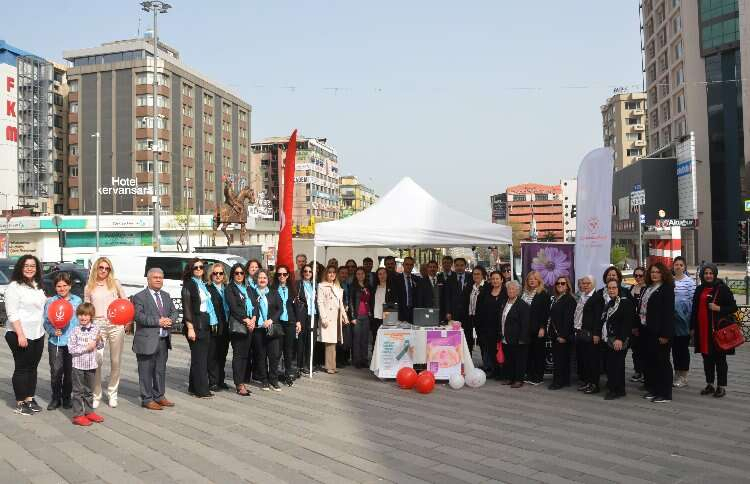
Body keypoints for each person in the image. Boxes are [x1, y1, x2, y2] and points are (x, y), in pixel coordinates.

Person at [4, 255, 47, 416]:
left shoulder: (37, 285)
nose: (30, 268)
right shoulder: (14, 287)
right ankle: (20, 402)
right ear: (20, 267)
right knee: (22, 368)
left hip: (37, 333)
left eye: (33, 266)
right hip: (19, 333)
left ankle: (29, 398)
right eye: (26, 265)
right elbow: (12, 313)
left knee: (33, 367)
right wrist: (21, 335)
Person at [132, 268, 178, 410]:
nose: (158, 280)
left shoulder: (166, 295)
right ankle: (147, 399)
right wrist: (158, 321)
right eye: (155, 277)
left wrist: (170, 320)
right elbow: (138, 316)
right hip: (147, 341)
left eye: (160, 277)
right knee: (145, 371)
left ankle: (159, 396)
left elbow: (174, 312)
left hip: (163, 340)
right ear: (148, 279)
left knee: (160, 370)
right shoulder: (139, 297)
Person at [85, 256, 127, 409]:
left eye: (107, 268)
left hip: (115, 324)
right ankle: (96, 394)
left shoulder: (115, 283)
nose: (104, 270)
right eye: (101, 267)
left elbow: (125, 302)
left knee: (116, 361)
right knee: (97, 360)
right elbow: (87, 309)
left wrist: (126, 321)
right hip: (97, 325)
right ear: (96, 268)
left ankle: (112, 393)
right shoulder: (89, 286)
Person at [690, 263, 737, 398]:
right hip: (702, 330)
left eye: (711, 273)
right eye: (706, 273)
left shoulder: (722, 288)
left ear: (715, 274)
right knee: (707, 358)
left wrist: (718, 308)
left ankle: (721, 386)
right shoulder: (699, 289)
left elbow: (733, 307)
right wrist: (692, 327)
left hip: (716, 331)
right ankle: (710, 384)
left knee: (720, 359)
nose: (708, 276)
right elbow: (694, 310)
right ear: (702, 275)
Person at [43, 272, 82, 410]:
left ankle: (66, 398)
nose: (62, 288)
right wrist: (53, 331)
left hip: (72, 342)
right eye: (59, 286)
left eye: (65, 285)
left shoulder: (77, 301)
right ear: (55, 287)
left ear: (70, 286)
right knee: (56, 371)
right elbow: (46, 322)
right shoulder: (50, 302)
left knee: (70, 373)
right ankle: (55, 398)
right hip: (56, 342)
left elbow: (81, 321)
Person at [181, 258, 218, 398]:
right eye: (195, 267)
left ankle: (193, 386)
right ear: (191, 270)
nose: (198, 269)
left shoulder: (202, 284)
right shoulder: (189, 285)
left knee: (199, 357)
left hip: (205, 322)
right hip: (195, 324)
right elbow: (187, 308)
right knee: (200, 359)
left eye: (201, 267)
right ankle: (201, 390)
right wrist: (190, 327)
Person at [640, 262, 675, 403]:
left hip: (660, 332)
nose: (654, 274)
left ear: (663, 274)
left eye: (657, 272)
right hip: (647, 330)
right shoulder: (648, 288)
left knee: (662, 362)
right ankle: (654, 389)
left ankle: (665, 393)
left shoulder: (667, 289)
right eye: (652, 272)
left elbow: (668, 313)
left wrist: (665, 334)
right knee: (651, 361)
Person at [67, 303, 105, 426]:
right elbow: (71, 349)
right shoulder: (74, 331)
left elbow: (100, 346)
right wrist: (86, 348)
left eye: (86, 315)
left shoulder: (96, 329)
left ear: (91, 316)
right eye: (80, 315)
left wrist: (100, 340)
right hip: (78, 365)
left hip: (91, 365)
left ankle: (89, 412)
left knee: (89, 390)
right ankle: (78, 415)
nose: (83, 317)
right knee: (78, 391)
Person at [226, 263, 256, 396]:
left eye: (241, 273)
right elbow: (234, 308)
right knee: (238, 355)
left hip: (250, 325)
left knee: (245, 355)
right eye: (236, 273)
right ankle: (238, 384)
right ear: (233, 274)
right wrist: (246, 319)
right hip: (239, 325)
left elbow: (255, 304)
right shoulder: (230, 288)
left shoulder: (248, 288)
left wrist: (254, 318)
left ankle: (242, 381)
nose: (239, 275)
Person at [601, 280, 634, 400]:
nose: (611, 290)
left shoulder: (625, 303)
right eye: (609, 288)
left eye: (614, 288)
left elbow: (627, 323)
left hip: (619, 339)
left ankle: (614, 390)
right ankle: (619, 389)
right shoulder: (610, 303)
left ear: (618, 289)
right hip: (609, 338)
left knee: (616, 365)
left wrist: (620, 339)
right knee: (613, 365)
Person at [252, 269, 283, 391]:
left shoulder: (274, 292)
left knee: (274, 355)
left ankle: (273, 380)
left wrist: (271, 320)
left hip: (271, 327)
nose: (262, 280)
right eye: (260, 277)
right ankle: (264, 380)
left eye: (264, 278)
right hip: (258, 328)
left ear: (268, 279)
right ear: (256, 279)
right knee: (261, 355)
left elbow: (280, 309)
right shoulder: (252, 293)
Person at [574, 275, 604, 394]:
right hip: (581, 332)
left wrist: (596, 334)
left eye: (588, 283)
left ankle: (594, 385)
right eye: (583, 283)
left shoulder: (597, 298)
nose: (585, 285)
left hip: (591, 334)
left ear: (593, 284)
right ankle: (587, 382)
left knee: (593, 361)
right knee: (585, 360)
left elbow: (598, 318)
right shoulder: (582, 296)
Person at [498, 280, 530, 388]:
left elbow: (525, 324)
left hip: (518, 338)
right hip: (505, 337)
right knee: (508, 359)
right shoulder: (504, 302)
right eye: (509, 289)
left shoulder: (523, 305)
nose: (510, 291)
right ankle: (509, 378)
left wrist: (522, 339)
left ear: (518, 291)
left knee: (519, 360)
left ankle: (519, 380)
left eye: (513, 289)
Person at [317, 266, 348, 374]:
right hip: (328, 317)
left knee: (334, 342)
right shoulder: (321, 286)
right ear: (326, 274)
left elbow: (341, 304)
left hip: (336, 317)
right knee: (330, 342)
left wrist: (345, 316)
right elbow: (320, 303)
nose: (332, 274)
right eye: (329, 272)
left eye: (334, 272)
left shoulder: (338, 287)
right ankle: (329, 367)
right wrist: (323, 318)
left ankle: (332, 366)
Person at [522, 271, 551, 386]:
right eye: (530, 279)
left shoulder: (543, 294)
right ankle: (530, 374)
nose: (532, 281)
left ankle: (538, 377)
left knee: (538, 353)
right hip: (526, 329)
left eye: (534, 279)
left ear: (539, 280)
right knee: (529, 353)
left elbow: (545, 313)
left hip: (538, 329)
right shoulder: (525, 294)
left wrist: (542, 328)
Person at [273, 264, 300, 386]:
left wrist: (298, 321)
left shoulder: (292, 289)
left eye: (284, 274)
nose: (282, 276)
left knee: (288, 350)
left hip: (290, 322)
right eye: (279, 274)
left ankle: (288, 374)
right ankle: (275, 374)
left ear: (288, 275)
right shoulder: (273, 288)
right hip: (278, 322)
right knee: (277, 350)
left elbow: (296, 307)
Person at [547, 276, 576, 390]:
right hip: (556, 335)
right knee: (560, 358)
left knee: (560, 360)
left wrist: (563, 336)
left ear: (567, 286)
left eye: (563, 283)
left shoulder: (569, 299)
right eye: (558, 283)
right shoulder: (557, 298)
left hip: (563, 335)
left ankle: (558, 382)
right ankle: (563, 381)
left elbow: (568, 320)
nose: (560, 285)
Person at [672, 256, 696, 389]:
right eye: (676, 264)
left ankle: (684, 376)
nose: (678, 267)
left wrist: (692, 323)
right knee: (675, 349)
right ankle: (677, 373)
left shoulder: (689, 282)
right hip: (672, 320)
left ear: (684, 267)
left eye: (681, 265)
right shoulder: (669, 280)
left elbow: (693, 302)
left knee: (682, 349)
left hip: (684, 320)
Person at [476, 270, 505, 376]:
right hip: (487, 326)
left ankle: (501, 371)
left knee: (500, 349)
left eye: (497, 278)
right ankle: (491, 369)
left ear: (502, 280)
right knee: (489, 349)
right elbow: (479, 308)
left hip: (500, 327)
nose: (495, 281)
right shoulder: (486, 292)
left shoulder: (506, 292)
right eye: (493, 279)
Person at [207, 263, 230, 391]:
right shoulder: (208, 288)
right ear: (211, 275)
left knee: (223, 353)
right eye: (215, 273)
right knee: (213, 354)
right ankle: (213, 381)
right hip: (214, 326)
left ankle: (221, 380)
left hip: (226, 326)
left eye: (220, 273)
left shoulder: (227, 288)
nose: (218, 275)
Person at [446, 258, 474, 350]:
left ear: (465, 266)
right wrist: (448, 312)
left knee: (468, 337)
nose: (459, 267)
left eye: (461, 265)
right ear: (454, 266)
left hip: (468, 313)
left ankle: (468, 357)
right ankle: (455, 357)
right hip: (454, 314)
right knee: (454, 338)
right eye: (457, 265)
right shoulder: (450, 279)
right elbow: (447, 297)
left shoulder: (471, 278)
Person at [349, 267, 372, 368]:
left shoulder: (368, 286)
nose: (360, 275)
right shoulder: (353, 287)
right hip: (357, 316)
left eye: (362, 273)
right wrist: (352, 317)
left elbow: (371, 301)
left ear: (365, 275)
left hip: (366, 316)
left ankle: (364, 360)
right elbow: (351, 302)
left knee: (365, 339)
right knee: (357, 339)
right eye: (358, 274)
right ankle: (357, 360)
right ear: (355, 275)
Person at [294, 264, 315, 377]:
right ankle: (300, 365)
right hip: (302, 314)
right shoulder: (298, 284)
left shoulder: (314, 284)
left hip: (313, 314)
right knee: (301, 340)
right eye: (306, 271)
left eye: (310, 271)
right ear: (302, 273)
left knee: (310, 340)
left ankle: (308, 364)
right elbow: (296, 300)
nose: (308, 273)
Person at [243, 259, 262, 383]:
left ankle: (257, 373)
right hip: (248, 319)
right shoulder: (245, 282)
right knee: (247, 349)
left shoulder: (261, 280)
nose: (254, 269)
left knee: (258, 348)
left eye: (256, 267)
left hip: (260, 320)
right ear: (248, 269)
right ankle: (245, 375)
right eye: (252, 267)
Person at [629, 267, 647, 383]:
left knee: (644, 349)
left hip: (644, 323)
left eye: (641, 275)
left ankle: (646, 372)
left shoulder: (648, 289)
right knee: (635, 349)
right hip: (633, 322)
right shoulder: (632, 288)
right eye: (636, 275)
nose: (638, 277)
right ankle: (638, 371)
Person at [371, 267, 395, 343]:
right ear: (377, 276)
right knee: (376, 339)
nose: (382, 276)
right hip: (376, 317)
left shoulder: (392, 287)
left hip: (388, 317)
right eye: (380, 274)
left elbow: (394, 302)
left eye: (384, 273)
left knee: (387, 340)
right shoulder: (374, 287)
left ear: (387, 274)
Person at [466, 266, 487, 355]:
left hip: (483, 320)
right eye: (474, 274)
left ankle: (486, 362)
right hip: (471, 317)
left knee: (483, 343)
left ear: (483, 275)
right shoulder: (471, 286)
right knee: (471, 341)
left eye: (478, 274)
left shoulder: (487, 286)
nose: (476, 276)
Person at [336, 265, 353, 366]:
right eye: (342, 273)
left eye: (346, 273)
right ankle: (339, 360)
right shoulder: (336, 285)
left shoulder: (348, 285)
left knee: (346, 337)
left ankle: (345, 358)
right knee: (339, 337)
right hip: (338, 313)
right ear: (338, 274)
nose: (344, 275)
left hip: (347, 314)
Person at [393, 256, 419, 323]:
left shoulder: (417, 279)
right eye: (407, 264)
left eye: (411, 265)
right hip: (401, 313)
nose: (409, 266)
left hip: (414, 313)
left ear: (413, 266)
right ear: (403, 265)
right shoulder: (396, 279)